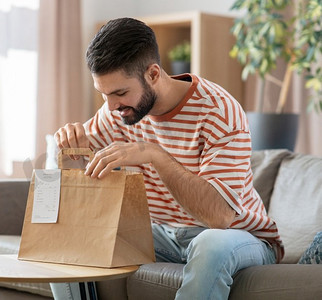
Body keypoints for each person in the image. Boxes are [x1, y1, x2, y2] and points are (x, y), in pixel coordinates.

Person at [52, 17, 284, 299]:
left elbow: (219, 218)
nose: (111, 106)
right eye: (103, 95)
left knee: (210, 244)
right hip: (164, 236)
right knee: (71, 238)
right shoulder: (119, 112)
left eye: (120, 93)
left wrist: (154, 154)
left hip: (241, 237)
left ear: (152, 74)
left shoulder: (219, 111)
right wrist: (68, 154)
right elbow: (78, 182)